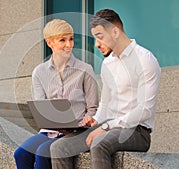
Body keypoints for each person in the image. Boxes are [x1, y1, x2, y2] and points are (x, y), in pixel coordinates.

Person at [50, 9, 161, 169]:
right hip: (108, 126)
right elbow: (106, 103)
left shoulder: (145, 60)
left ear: (115, 32)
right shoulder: (108, 64)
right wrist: (95, 120)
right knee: (59, 147)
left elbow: (144, 111)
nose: (96, 44)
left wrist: (105, 127)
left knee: (99, 142)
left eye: (100, 37)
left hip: (137, 131)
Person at [13, 19, 99, 169]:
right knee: (20, 154)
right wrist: (53, 122)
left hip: (76, 131)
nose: (69, 44)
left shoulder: (85, 69)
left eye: (71, 39)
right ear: (50, 43)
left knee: (42, 153)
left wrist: (87, 118)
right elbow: (41, 107)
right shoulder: (39, 72)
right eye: (62, 40)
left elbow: (93, 108)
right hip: (50, 131)